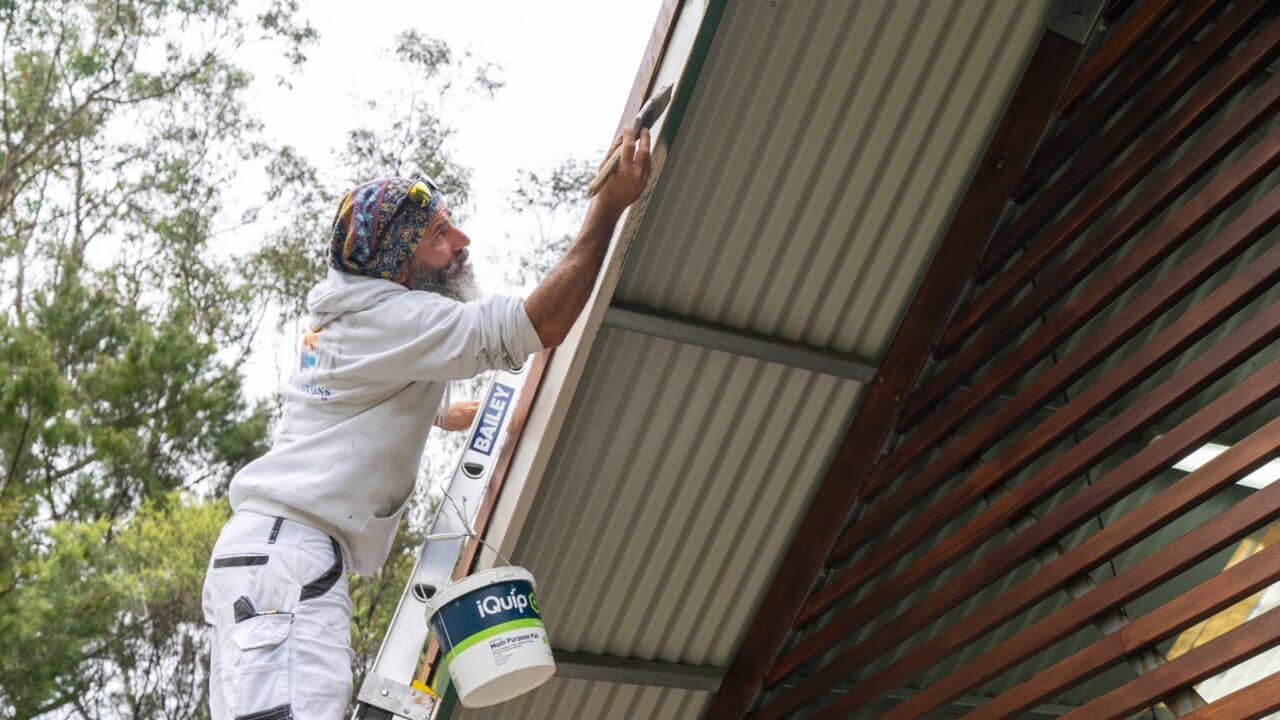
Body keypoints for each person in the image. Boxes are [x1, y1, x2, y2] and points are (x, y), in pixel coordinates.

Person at [201, 127, 651, 720]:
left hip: (269, 561)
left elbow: (350, 401)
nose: (462, 241)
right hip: (288, 564)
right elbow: (534, 326)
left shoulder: (348, 319)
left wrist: (444, 414)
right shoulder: (396, 317)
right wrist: (608, 210)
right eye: (440, 235)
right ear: (400, 266)